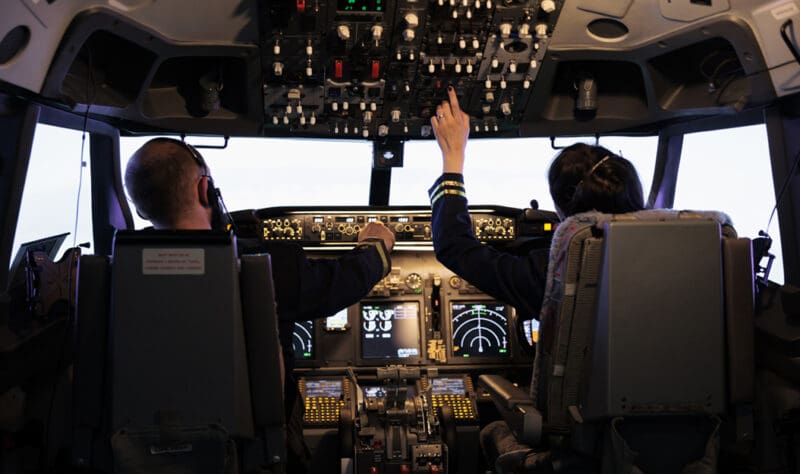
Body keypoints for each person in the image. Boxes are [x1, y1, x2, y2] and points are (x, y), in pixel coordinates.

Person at [124, 137, 395, 473]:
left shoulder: (118, 274)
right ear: (204, 190)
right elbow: (338, 284)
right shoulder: (262, 265)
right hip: (254, 453)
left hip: (146, 453)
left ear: (140, 208)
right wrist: (376, 249)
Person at [428, 86, 644, 319]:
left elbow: (455, 246)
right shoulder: (673, 255)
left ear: (563, 210)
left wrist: (453, 155)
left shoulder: (556, 272)